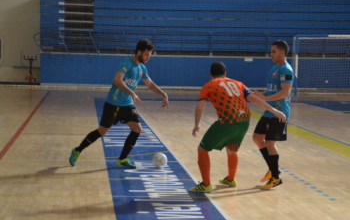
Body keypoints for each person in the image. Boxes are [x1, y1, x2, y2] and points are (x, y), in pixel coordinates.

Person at [69, 39, 169, 168]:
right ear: (139, 52)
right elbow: (117, 80)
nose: (148, 58)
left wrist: (163, 94)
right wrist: (132, 93)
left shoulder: (142, 68)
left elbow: (150, 84)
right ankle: (77, 150)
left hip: (127, 104)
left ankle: (122, 159)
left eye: (149, 55)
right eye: (147, 55)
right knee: (102, 132)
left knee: (137, 129)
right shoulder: (126, 63)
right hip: (113, 103)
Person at [189, 62, 286, 193]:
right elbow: (254, 99)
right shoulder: (238, 83)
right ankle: (230, 179)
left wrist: (196, 125)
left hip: (228, 121)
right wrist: (274, 110)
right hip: (244, 120)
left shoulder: (208, 85)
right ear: (225, 74)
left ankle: (206, 184)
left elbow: (200, 108)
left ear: (211, 75)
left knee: (202, 150)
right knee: (232, 150)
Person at [252, 40, 294, 189]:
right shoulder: (274, 69)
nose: (271, 54)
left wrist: (266, 99)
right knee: (257, 137)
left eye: (273, 51)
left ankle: (276, 178)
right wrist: (260, 94)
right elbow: (271, 90)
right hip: (269, 111)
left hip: (279, 113)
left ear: (282, 52)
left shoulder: (286, 70)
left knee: (270, 143)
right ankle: (273, 169)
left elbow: (284, 92)